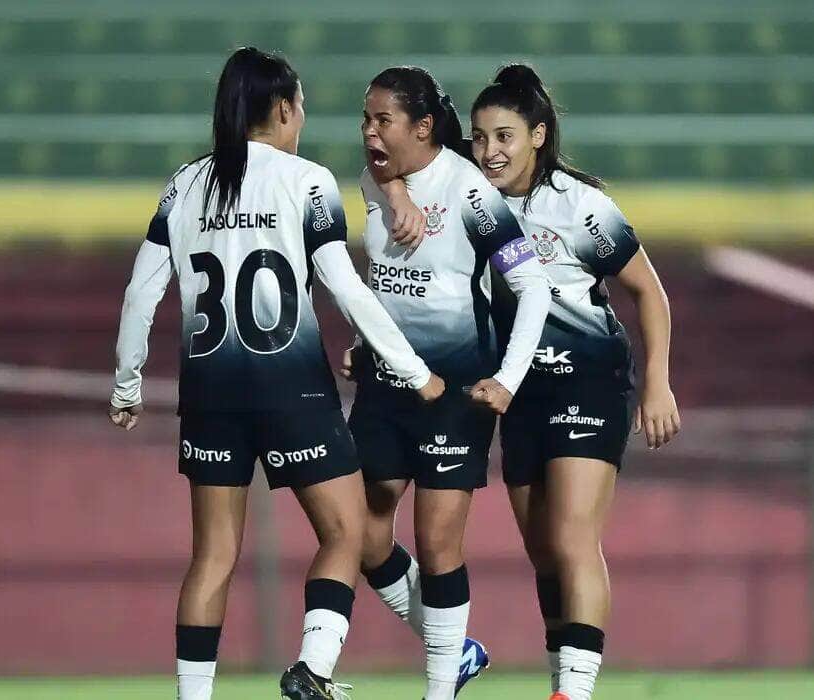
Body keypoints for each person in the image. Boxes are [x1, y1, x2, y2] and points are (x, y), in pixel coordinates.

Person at [108, 47, 444, 700]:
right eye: (302, 108)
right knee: (348, 533)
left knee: (212, 557)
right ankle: (312, 668)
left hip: (208, 391)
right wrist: (412, 370)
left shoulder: (184, 185)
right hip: (290, 384)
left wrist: (127, 384)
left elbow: (140, 295)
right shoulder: (307, 182)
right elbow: (345, 289)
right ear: (285, 108)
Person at [468, 64, 681, 700]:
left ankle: (575, 692)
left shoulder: (581, 207)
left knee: (571, 538)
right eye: (479, 138)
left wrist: (658, 385)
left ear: (537, 135)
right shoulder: (468, 206)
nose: (490, 151)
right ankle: (563, 678)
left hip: (588, 380)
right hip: (518, 393)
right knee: (545, 553)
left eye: (505, 136)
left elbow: (649, 292)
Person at [344, 66, 551, 700]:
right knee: (359, 531)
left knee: (437, 543)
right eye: (366, 119)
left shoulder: (472, 195)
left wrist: (509, 379)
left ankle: (438, 689)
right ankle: (455, 650)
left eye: (383, 120)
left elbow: (532, 286)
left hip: (456, 388)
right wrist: (363, 343)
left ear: (424, 125)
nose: (369, 132)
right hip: (385, 383)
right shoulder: (372, 179)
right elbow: (383, 277)